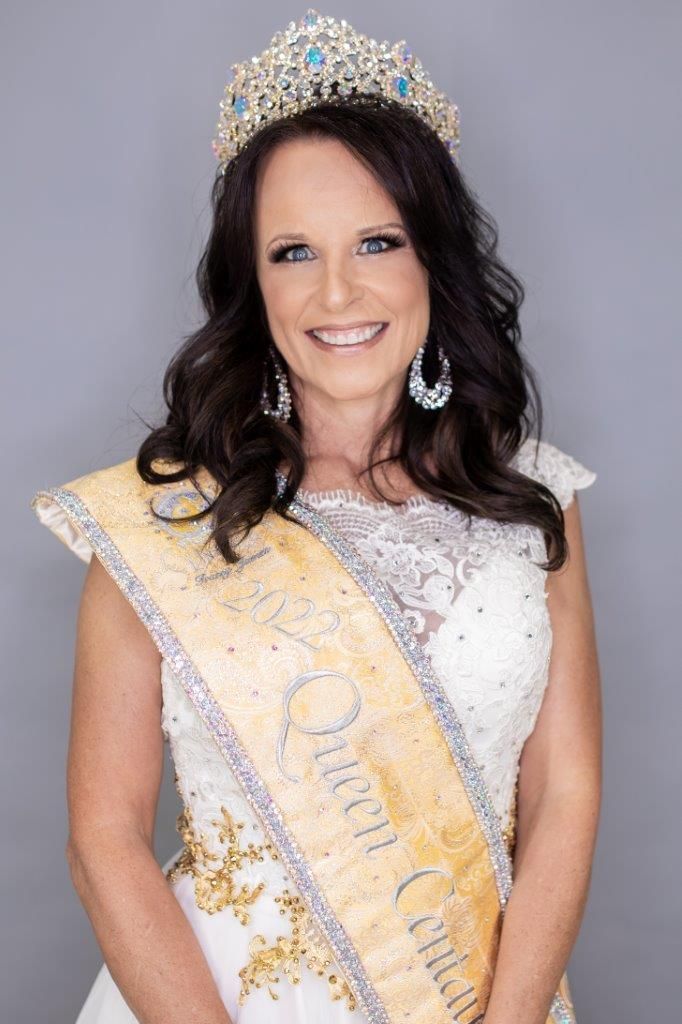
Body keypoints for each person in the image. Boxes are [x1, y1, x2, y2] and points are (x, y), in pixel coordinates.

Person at [31, 8, 602, 1024]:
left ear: (434, 259)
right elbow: (103, 838)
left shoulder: (534, 498)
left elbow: (563, 792)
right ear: (252, 282)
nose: (338, 291)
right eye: (293, 252)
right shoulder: (160, 517)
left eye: (377, 241)